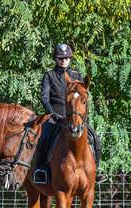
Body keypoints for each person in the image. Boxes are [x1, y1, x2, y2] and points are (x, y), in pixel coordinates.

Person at [32, 43, 103, 185]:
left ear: (70, 58)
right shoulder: (49, 76)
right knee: (43, 139)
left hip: (75, 118)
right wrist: (51, 113)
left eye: (65, 58)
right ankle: (42, 170)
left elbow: (83, 97)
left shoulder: (77, 75)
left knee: (94, 137)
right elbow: (44, 97)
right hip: (56, 117)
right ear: (56, 59)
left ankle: (97, 170)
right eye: (60, 58)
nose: (63, 60)